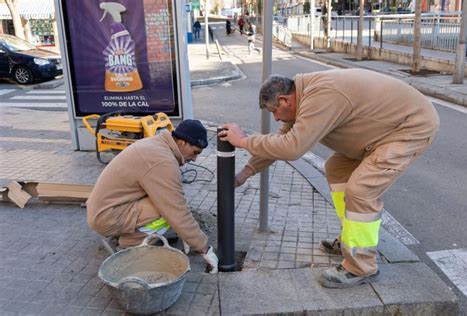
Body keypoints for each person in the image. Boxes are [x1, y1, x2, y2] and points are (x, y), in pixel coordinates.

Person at [219, 69, 439, 288]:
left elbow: (292, 148)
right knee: (336, 168)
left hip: (409, 127)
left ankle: (361, 266)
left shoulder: (321, 97)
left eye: (274, 111)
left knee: (361, 190)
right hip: (380, 131)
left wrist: (244, 141)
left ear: (285, 100)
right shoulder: (304, 99)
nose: (276, 118)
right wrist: (245, 174)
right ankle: (350, 241)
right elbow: (281, 141)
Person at [87, 119, 218, 273]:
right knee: (166, 212)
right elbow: (177, 211)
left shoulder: (157, 145)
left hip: (106, 209)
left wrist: (187, 234)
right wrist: (203, 248)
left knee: (168, 204)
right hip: (106, 217)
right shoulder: (162, 161)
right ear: (182, 143)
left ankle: (127, 232)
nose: (195, 159)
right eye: (195, 152)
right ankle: (130, 247)